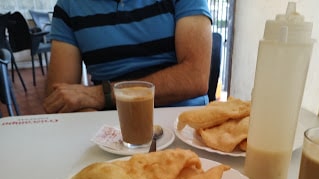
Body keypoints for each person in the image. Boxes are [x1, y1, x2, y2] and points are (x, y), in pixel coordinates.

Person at [43, 0, 212, 113]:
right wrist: (95, 126)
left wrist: (102, 95)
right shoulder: (68, 5)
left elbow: (196, 76)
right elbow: (58, 97)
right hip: (111, 127)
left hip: (182, 122)